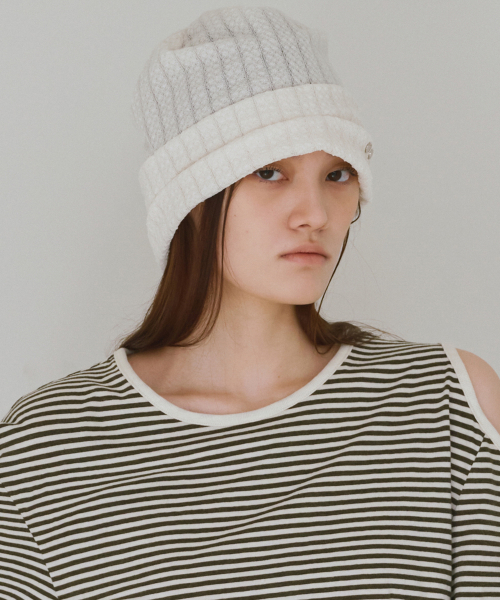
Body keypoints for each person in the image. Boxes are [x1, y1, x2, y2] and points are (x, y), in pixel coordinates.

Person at [0, 6, 499, 599]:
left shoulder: (447, 403)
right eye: (269, 171)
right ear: (189, 195)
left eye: (337, 174)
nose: (315, 213)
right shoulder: (44, 449)